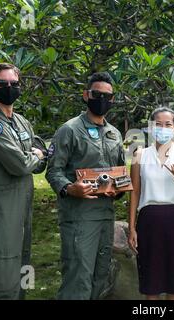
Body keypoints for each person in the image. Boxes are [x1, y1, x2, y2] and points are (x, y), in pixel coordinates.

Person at [45, 72, 125, 300]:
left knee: (100, 276)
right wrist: (70, 188)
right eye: (97, 94)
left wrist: (120, 188)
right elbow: (54, 170)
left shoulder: (114, 134)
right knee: (78, 278)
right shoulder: (69, 130)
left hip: (105, 216)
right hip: (79, 217)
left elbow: (118, 173)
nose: (102, 99)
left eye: (108, 96)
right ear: (86, 95)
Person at [0, 62, 46, 299]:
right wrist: (35, 155)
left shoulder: (21, 120)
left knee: (21, 264)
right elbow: (20, 164)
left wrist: (36, 155)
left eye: (14, 83)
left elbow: (39, 159)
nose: (9, 88)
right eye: (2, 84)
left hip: (22, 205)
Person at [127, 107, 174, 300]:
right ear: (150, 128)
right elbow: (134, 193)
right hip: (149, 220)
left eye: (168, 124)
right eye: (158, 124)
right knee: (151, 283)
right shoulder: (140, 155)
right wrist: (132, 227)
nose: (163, 128)